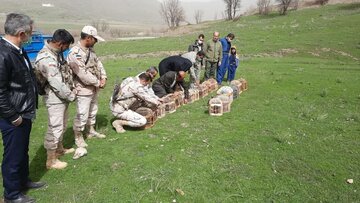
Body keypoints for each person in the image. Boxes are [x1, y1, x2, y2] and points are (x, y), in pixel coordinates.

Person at [0, 13, 45, 203]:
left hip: (24, 111)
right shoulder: (3, 54)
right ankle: (11, 194)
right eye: (30, 33)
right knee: (13, 154)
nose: (30, 36)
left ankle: (23, 181)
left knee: (22, 150)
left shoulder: (18, 50)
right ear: (21, 33)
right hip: (13, 115)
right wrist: (13, 116)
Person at [34, 29, 76, 170]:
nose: (67, 49)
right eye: (66, 46)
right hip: (54, 98)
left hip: (61, 97)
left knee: (62, 125)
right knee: (55, 128)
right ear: (59, 43)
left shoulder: (55, 54)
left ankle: (59, 149)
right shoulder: (46, 58)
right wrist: (71, 95)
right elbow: (56, 83)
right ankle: (51, 160)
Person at [67, 25, 107, 148]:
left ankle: (91, 130)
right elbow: (82, 73)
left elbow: (98, 64)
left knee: (93, 110)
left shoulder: (90, 51)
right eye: (95, 39)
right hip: (83, 89)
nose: (96, 42)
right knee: (82, 113)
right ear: (88, 38)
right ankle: (78, 137)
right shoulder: (75, 53)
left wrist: (104, 77)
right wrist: (97, 82)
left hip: (93, 87)